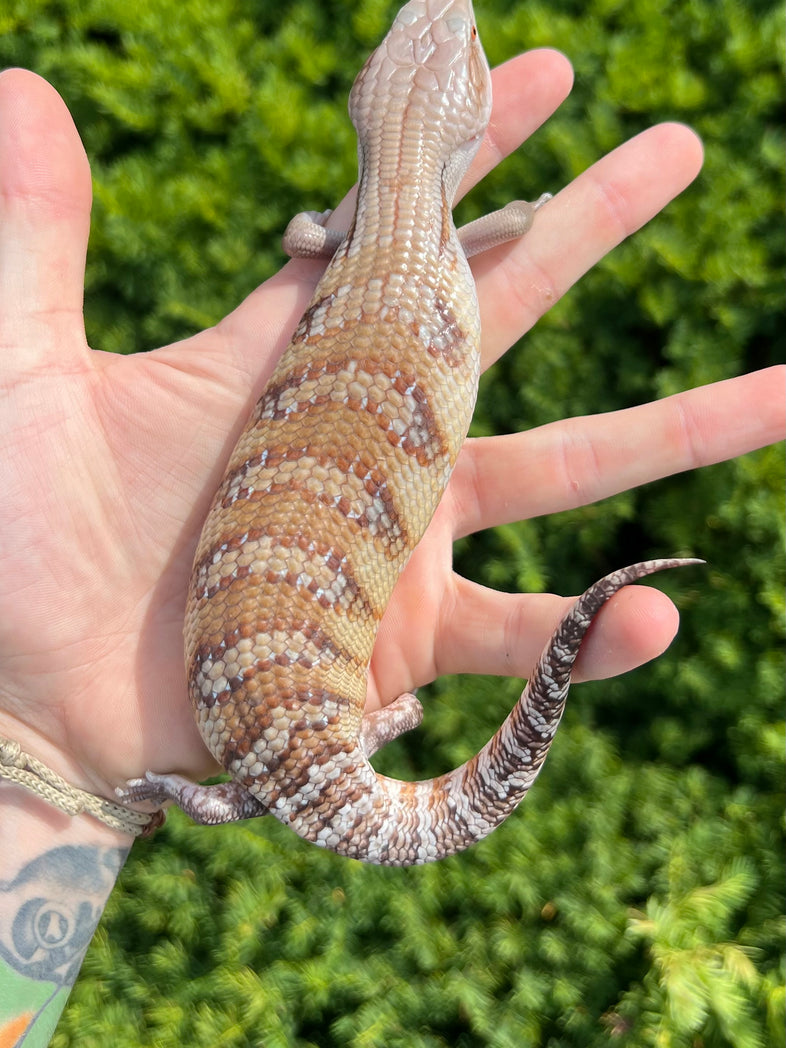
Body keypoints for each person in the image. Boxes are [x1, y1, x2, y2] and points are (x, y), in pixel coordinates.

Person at [0, 57, 783, 1045]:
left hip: (266, 682)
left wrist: (54, 758)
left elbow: (306, 237)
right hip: (255, 704)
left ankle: (347, 739)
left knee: (276, 769)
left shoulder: (348, 231)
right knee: (264, 776)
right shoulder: (398, 232)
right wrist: (72, 770)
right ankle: (328, 745)